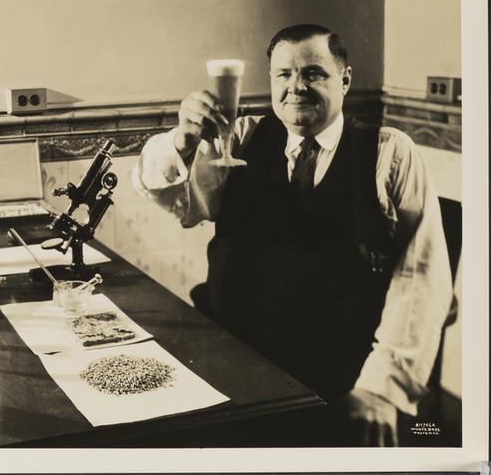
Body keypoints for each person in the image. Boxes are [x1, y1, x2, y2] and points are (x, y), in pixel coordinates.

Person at [132, 24, 454, 446]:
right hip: (235, 363)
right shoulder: (242, 139)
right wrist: (183, 139)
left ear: (345, 80)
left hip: (339, 382)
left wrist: (379, 389)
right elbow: (178, 201)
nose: (295, 87)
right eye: (283, 74)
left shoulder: (389, 153)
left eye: (313, 73)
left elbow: (421, 278)